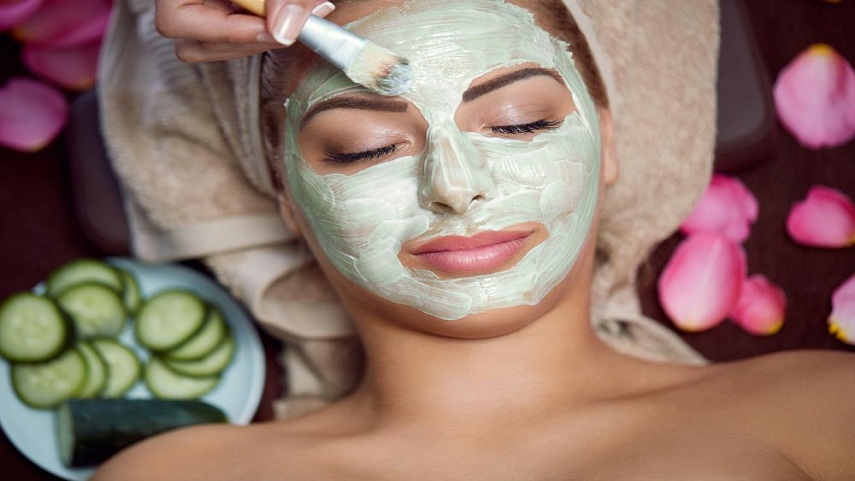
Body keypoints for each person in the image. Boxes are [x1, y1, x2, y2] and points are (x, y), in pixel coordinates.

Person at [92, 0, 855, 479]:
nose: (454, 187)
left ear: (606, 142)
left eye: (519, 123)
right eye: (364, 148)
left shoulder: (820, 409)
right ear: (287, 195)